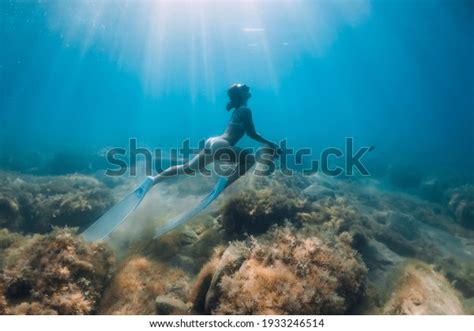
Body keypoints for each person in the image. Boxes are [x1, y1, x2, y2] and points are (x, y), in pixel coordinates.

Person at [151, 83, 280, 188]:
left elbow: (250, 132)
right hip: (220, 145)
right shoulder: (245, 110)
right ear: (241, 94)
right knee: (250, 159)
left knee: (188, 168)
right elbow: (252, 134)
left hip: (213, 142)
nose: (248, 88)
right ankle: (221, 187)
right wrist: (271, 143)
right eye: (245, 88)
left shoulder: (238, 110)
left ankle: (153, 180)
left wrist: (267, 143)